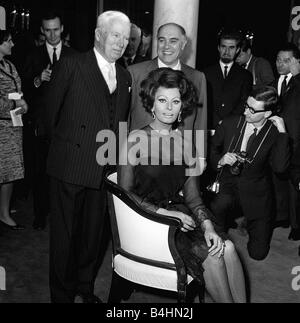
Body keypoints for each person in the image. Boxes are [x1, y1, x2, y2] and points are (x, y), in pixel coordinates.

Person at [118, 68, 246, 303]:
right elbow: (124, 195)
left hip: (182, 216)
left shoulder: (187, 145)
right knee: (214, 256)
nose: (169, 107)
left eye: (175, 101)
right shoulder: (134, 140)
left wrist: (207, 226)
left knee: (226, 247)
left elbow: (194, 198)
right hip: (148, 221)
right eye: (162, 100)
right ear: (152, 104)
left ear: (182, 106)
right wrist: (166, 213)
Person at [43, 11, 131, 303]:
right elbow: (49, 116)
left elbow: (118, 125)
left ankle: (85, 287)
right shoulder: (72, 65)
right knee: (65, 239)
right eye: (116, 35)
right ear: (99, 34)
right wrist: (65, 150)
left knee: (92, 238)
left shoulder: (125, 75)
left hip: (103, 170)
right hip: (70, 166)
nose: (121, 43)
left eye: (126, 38)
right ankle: (62, 296)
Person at [209, 86, 289, 260]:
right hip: (229, 183)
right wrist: (221, 159)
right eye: (246, 106)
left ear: (267, 113)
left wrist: (283, 131)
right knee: (218, 206)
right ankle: (220, 234)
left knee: (258, 254)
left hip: (256, 190)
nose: (246, 112)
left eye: (252, 110)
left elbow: (281, 168)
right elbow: (211, 150)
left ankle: (248, 223)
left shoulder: (274, 133)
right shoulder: (230, 123)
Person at [128, 22, 207, 174]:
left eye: (173, 41)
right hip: (141, 155)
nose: (166, 46)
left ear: (183, 44)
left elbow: (200, 120)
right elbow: (125, 115)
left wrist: (201, 157)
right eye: (162, 40)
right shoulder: (134, 73)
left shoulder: (197, 77)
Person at [23, 10, 76, 230]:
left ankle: (61, 215)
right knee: (39, 172)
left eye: (56, 30)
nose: (52, 35)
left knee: (64, 174)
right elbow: (23, 89)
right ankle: (40, 213)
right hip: (41, 126)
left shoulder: (74, 56)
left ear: (62, 29)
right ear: (42, 31)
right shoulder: (33, 55)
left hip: (67, 126)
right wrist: (37, 80)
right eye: (48, 31)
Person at [0, 30, 28, 230]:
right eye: (8, 41)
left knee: (11, 174)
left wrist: (22, 103)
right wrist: (15, 102)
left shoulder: (9, 65)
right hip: (1, 127)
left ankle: (3, 211)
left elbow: (17, 91)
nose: (12, 44)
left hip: (13, 125)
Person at [272, 43, 300, 240]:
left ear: (297, 62)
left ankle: (297, 225)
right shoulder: (274, 82)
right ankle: (282, 217)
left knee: (294, 186)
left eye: (286, 60)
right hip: (277, 141)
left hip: (296, 142)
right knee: (277, 180)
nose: (280, 64)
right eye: (278, 60)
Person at [204, 30, 253, 129]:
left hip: (233, 128)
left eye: (231, 47)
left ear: (238, 50)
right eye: (223, 47)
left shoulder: (245, 75)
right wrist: (216, 121)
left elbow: (243, 102)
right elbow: (203, 101)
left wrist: (227, 122)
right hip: (208, 126)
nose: (227, 52)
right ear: (218, 48)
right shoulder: (205, 73)